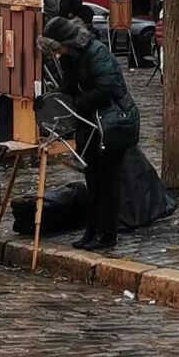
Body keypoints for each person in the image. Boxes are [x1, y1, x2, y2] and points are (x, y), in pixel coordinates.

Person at [46, 13, 141, 249]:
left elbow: (107, 86)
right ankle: (92, 231)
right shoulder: (71, 58)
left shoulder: (96, 52)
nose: (57, 54)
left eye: (57, 48)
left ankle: (107, 234)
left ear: (67, 42)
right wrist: (52, 101)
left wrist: (78, 103)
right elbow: (68, 87)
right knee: (93, 181)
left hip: (112, 124)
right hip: (91, 124)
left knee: (107, 182)